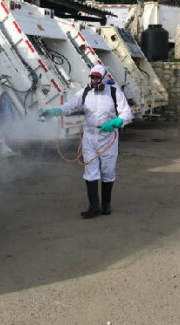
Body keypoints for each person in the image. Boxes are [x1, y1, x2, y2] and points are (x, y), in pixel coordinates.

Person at [41, 64, 132, 218]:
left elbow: (127, 113)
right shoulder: (84, 92)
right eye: (92, 77)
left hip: (108, 136)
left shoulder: (114, 93)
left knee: (107, 171)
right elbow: (69, 106)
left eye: (97, 77)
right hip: (90, 135)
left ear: (104, 78)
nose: (94, 80)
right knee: (90, 171)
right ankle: (93, 207)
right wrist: (56, 111)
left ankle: (106, 204)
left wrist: (116, 122)